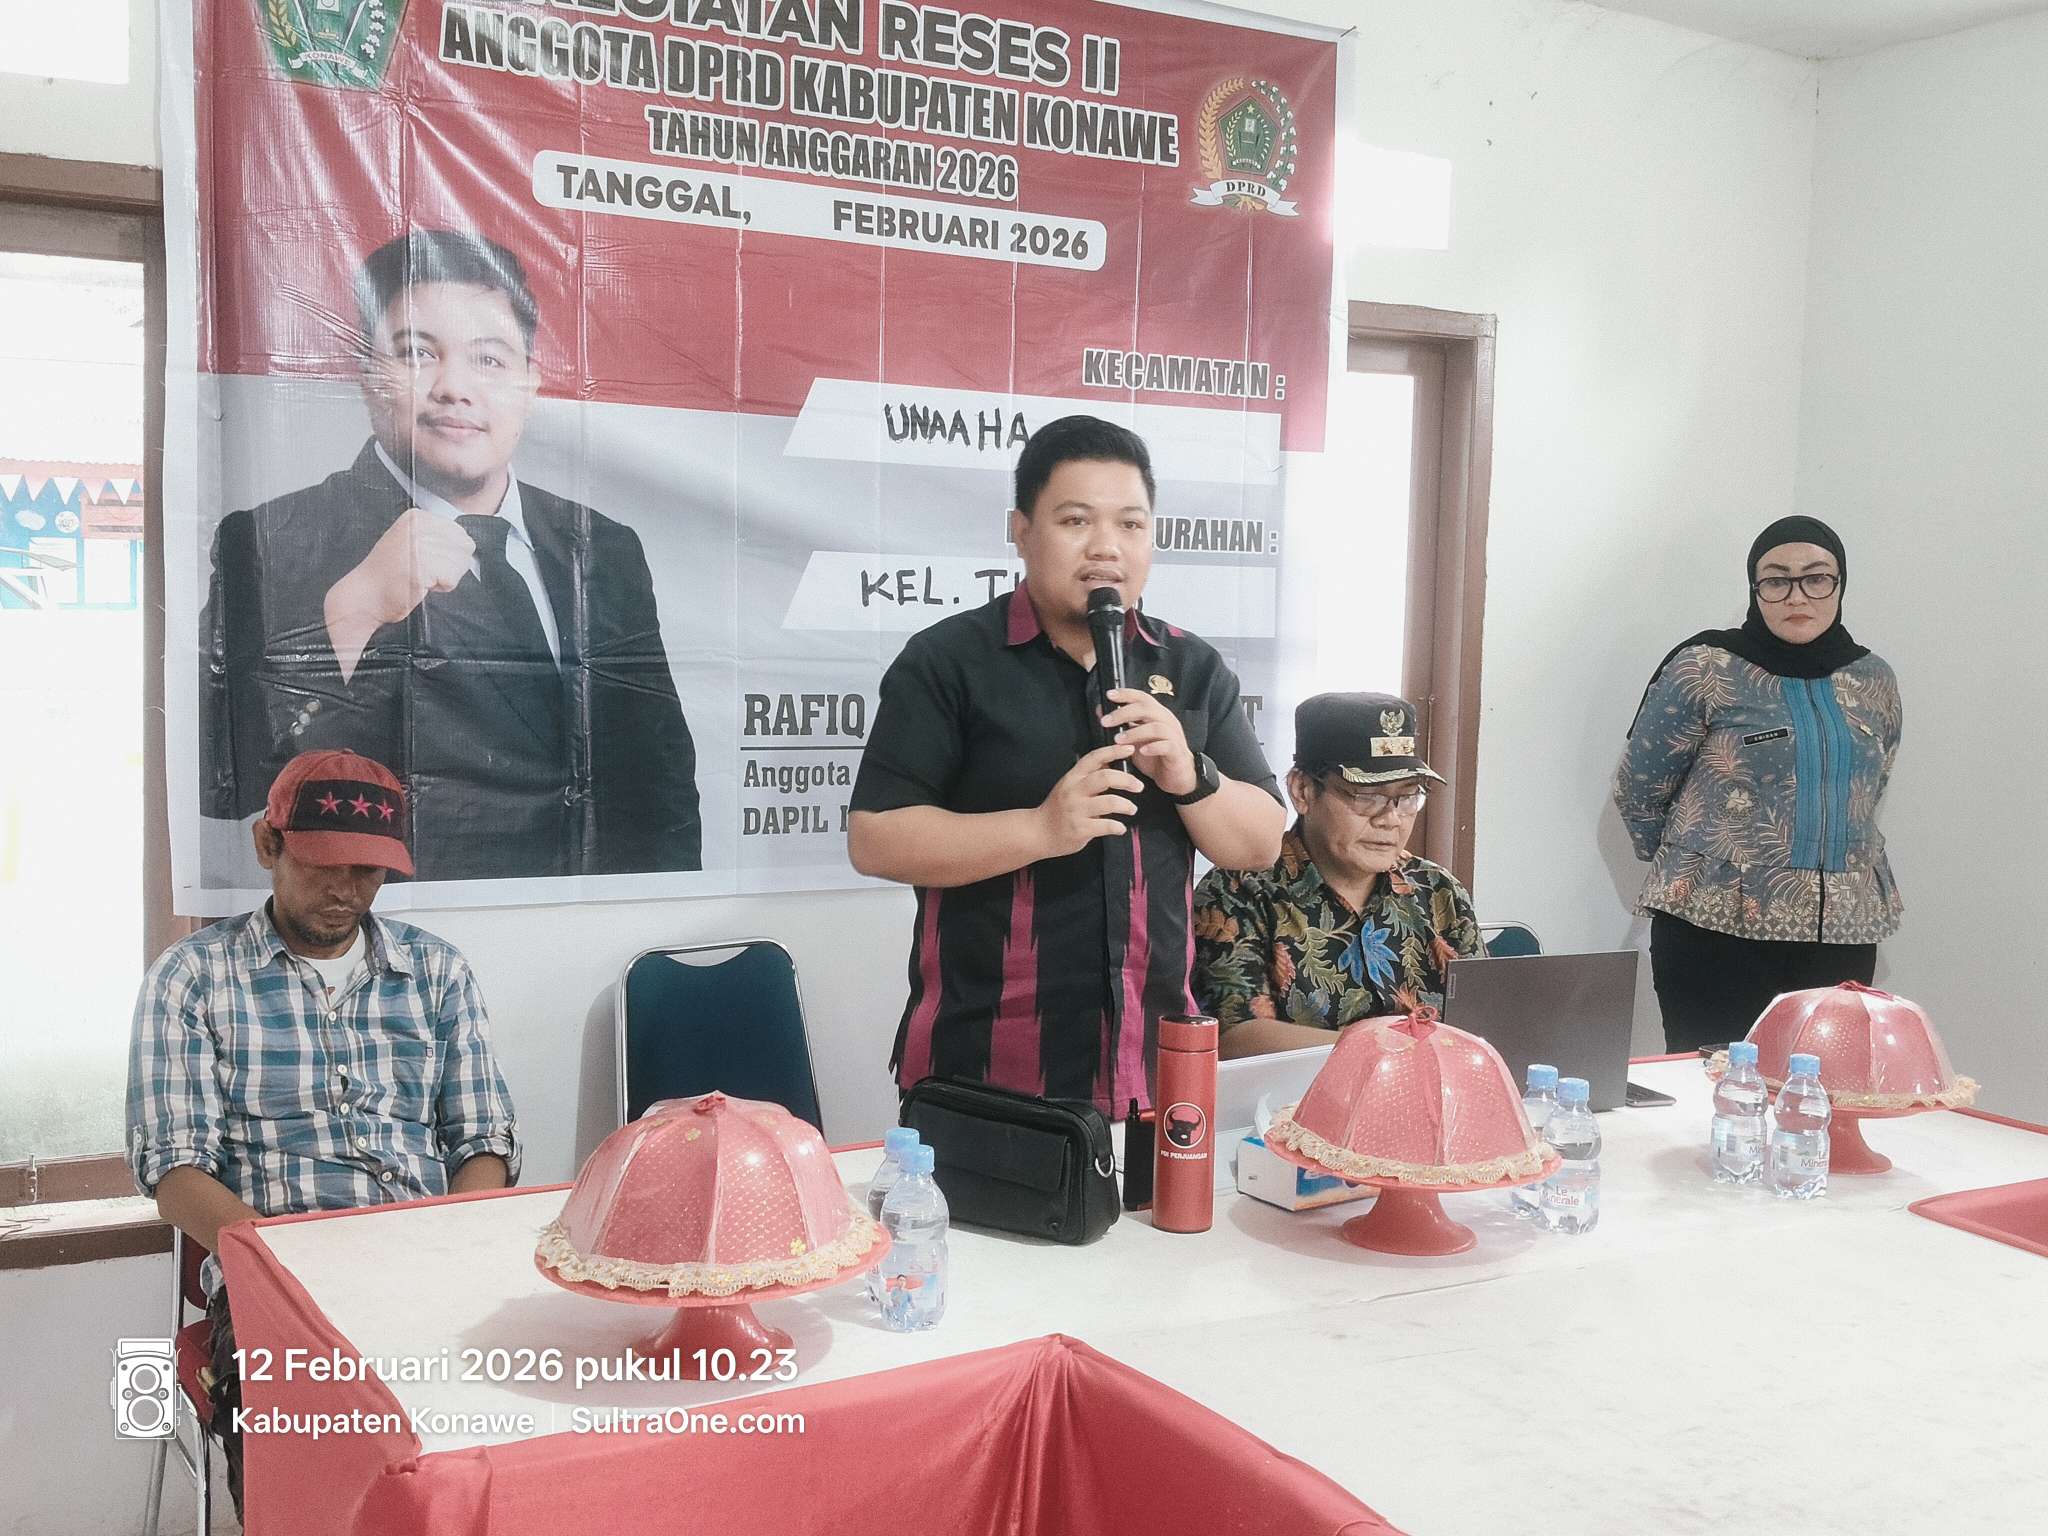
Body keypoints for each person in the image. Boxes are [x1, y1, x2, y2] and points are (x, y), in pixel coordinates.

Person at [199, 228, 700, 880]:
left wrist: (657, 915)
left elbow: (662, 781)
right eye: (417, 353)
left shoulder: (604, 546)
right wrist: (352, 611)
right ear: (366, 375)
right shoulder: (272, 540)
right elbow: (223, 782)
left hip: (590, 922)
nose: (455, 388)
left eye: (489, 359)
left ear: (530, 384)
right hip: (401, 922)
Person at [847, 415, 1285, 1111]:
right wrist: (1041, 829)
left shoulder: (1192, 667)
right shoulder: (949, 661)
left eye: (1131, 524)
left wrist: (1190, 775)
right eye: (1076, 521)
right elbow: (875, 838)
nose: (1106, 547)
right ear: (1021, 530)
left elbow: (1260, 843)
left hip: (1155, 1068)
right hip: (985, 1068)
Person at [126, 748, 521, 1518]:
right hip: (277, 1283)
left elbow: (483, 1142)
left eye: (367, 872)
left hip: (428, 1262)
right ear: (267, 845)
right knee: (316, 1474)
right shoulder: (193, 978)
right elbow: (175, 1176)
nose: (346, 891)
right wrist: (294, 1275)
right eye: (322, 866)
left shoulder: (437, 973)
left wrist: (451, 1248)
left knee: (508, 1441)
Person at [1615, 516, 1903, 1053]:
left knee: (1820, 1086)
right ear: (1755, 588)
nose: (1797, 595)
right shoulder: (1706, 667)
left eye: (1816, 577)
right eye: (1776, 580)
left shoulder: (1873, 679)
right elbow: (1641, 786)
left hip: (1840, 934)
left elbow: (1869, 786)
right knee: (1716, 1085)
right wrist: (1705, 858)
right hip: (1715, 929)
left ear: (1840, 585)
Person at [1192, 692, 1481, 1057]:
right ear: (1302, 791)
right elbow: (1234, 1038)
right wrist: (1382, 1049)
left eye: (1407, 798)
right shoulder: (1238, 889)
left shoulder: (1438, 891)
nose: (1390, 819)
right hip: (1296, 1093)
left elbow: (1483, 1018)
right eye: (1367, 796)